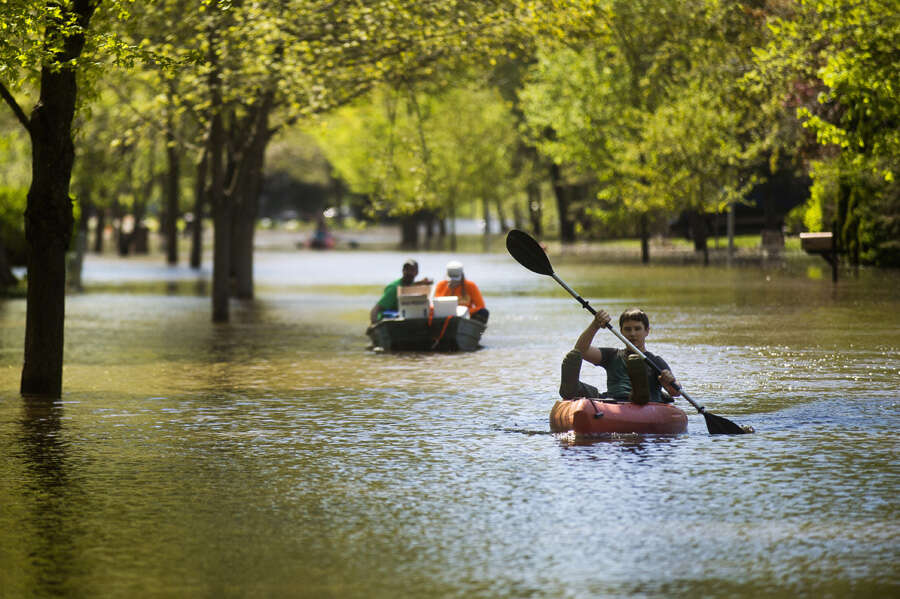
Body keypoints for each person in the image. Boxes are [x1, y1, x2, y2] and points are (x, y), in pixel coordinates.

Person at [559, 307, 680, 404]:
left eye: (637, 329)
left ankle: (638, 392)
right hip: (612, 402)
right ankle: (570, 387)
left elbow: (676, 391)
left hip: (643, 402)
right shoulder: (612, 355)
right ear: (621, 332)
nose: (632, 334)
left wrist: (669, 381)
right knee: (580, 387)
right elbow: (581, 350)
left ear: (647, 331)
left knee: (638, 395)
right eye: (628, 329)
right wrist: (595, 325)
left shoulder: (655, 361)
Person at [369, 259, 433, 323]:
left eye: (412, 270)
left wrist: (421, 283)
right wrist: (374, 323)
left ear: (417, 272)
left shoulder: (414, 286)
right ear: (403, 271)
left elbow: (408, 287)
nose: (409, 272)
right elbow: (375, 310)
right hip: (389, 321)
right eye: (406, 269)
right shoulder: (394, 288)